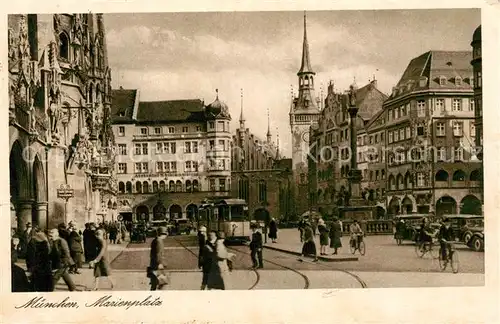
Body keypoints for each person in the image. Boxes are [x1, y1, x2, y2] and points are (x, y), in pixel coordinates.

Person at [149, 226, 168, 291]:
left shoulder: (155, 240)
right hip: (157, 265)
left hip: (154, 264)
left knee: (154, 284)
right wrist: (160, 263)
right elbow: (158, 253)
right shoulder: (159, 241)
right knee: (160, 283)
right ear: (163, 234)